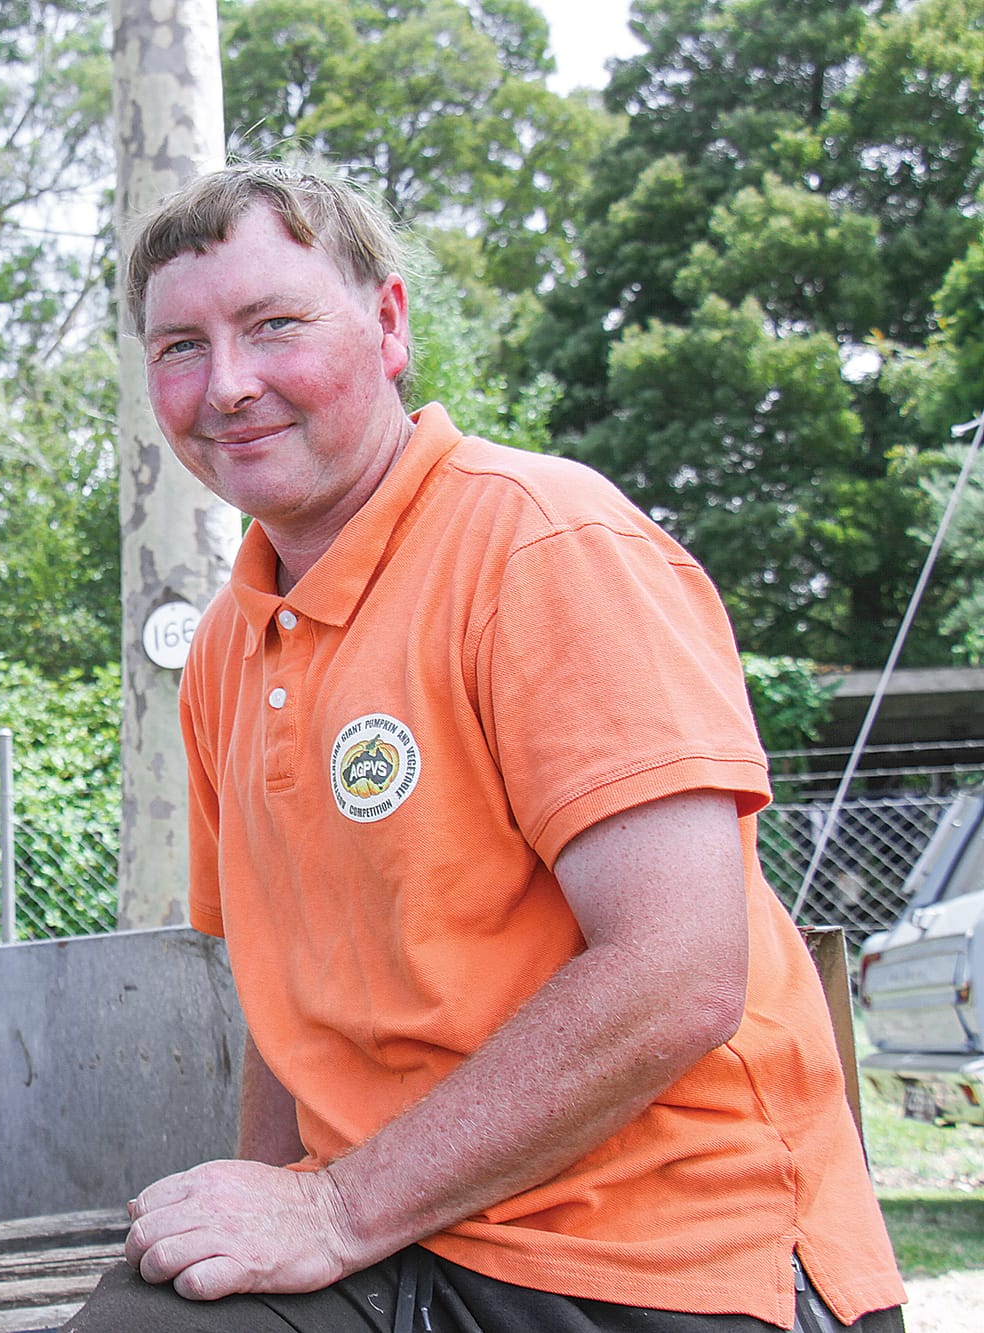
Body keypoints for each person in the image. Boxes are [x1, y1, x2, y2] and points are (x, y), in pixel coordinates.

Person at [61, 162, 906, 1333]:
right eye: (179, 347)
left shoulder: (541, 546)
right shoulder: (224, 647)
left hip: (664, 1261)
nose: (230, 385)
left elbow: (676, 972)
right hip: (413, 1234)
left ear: (388, 324)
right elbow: (282, 998)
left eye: (273, 325)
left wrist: (335, 1212)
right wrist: (263, 1207)